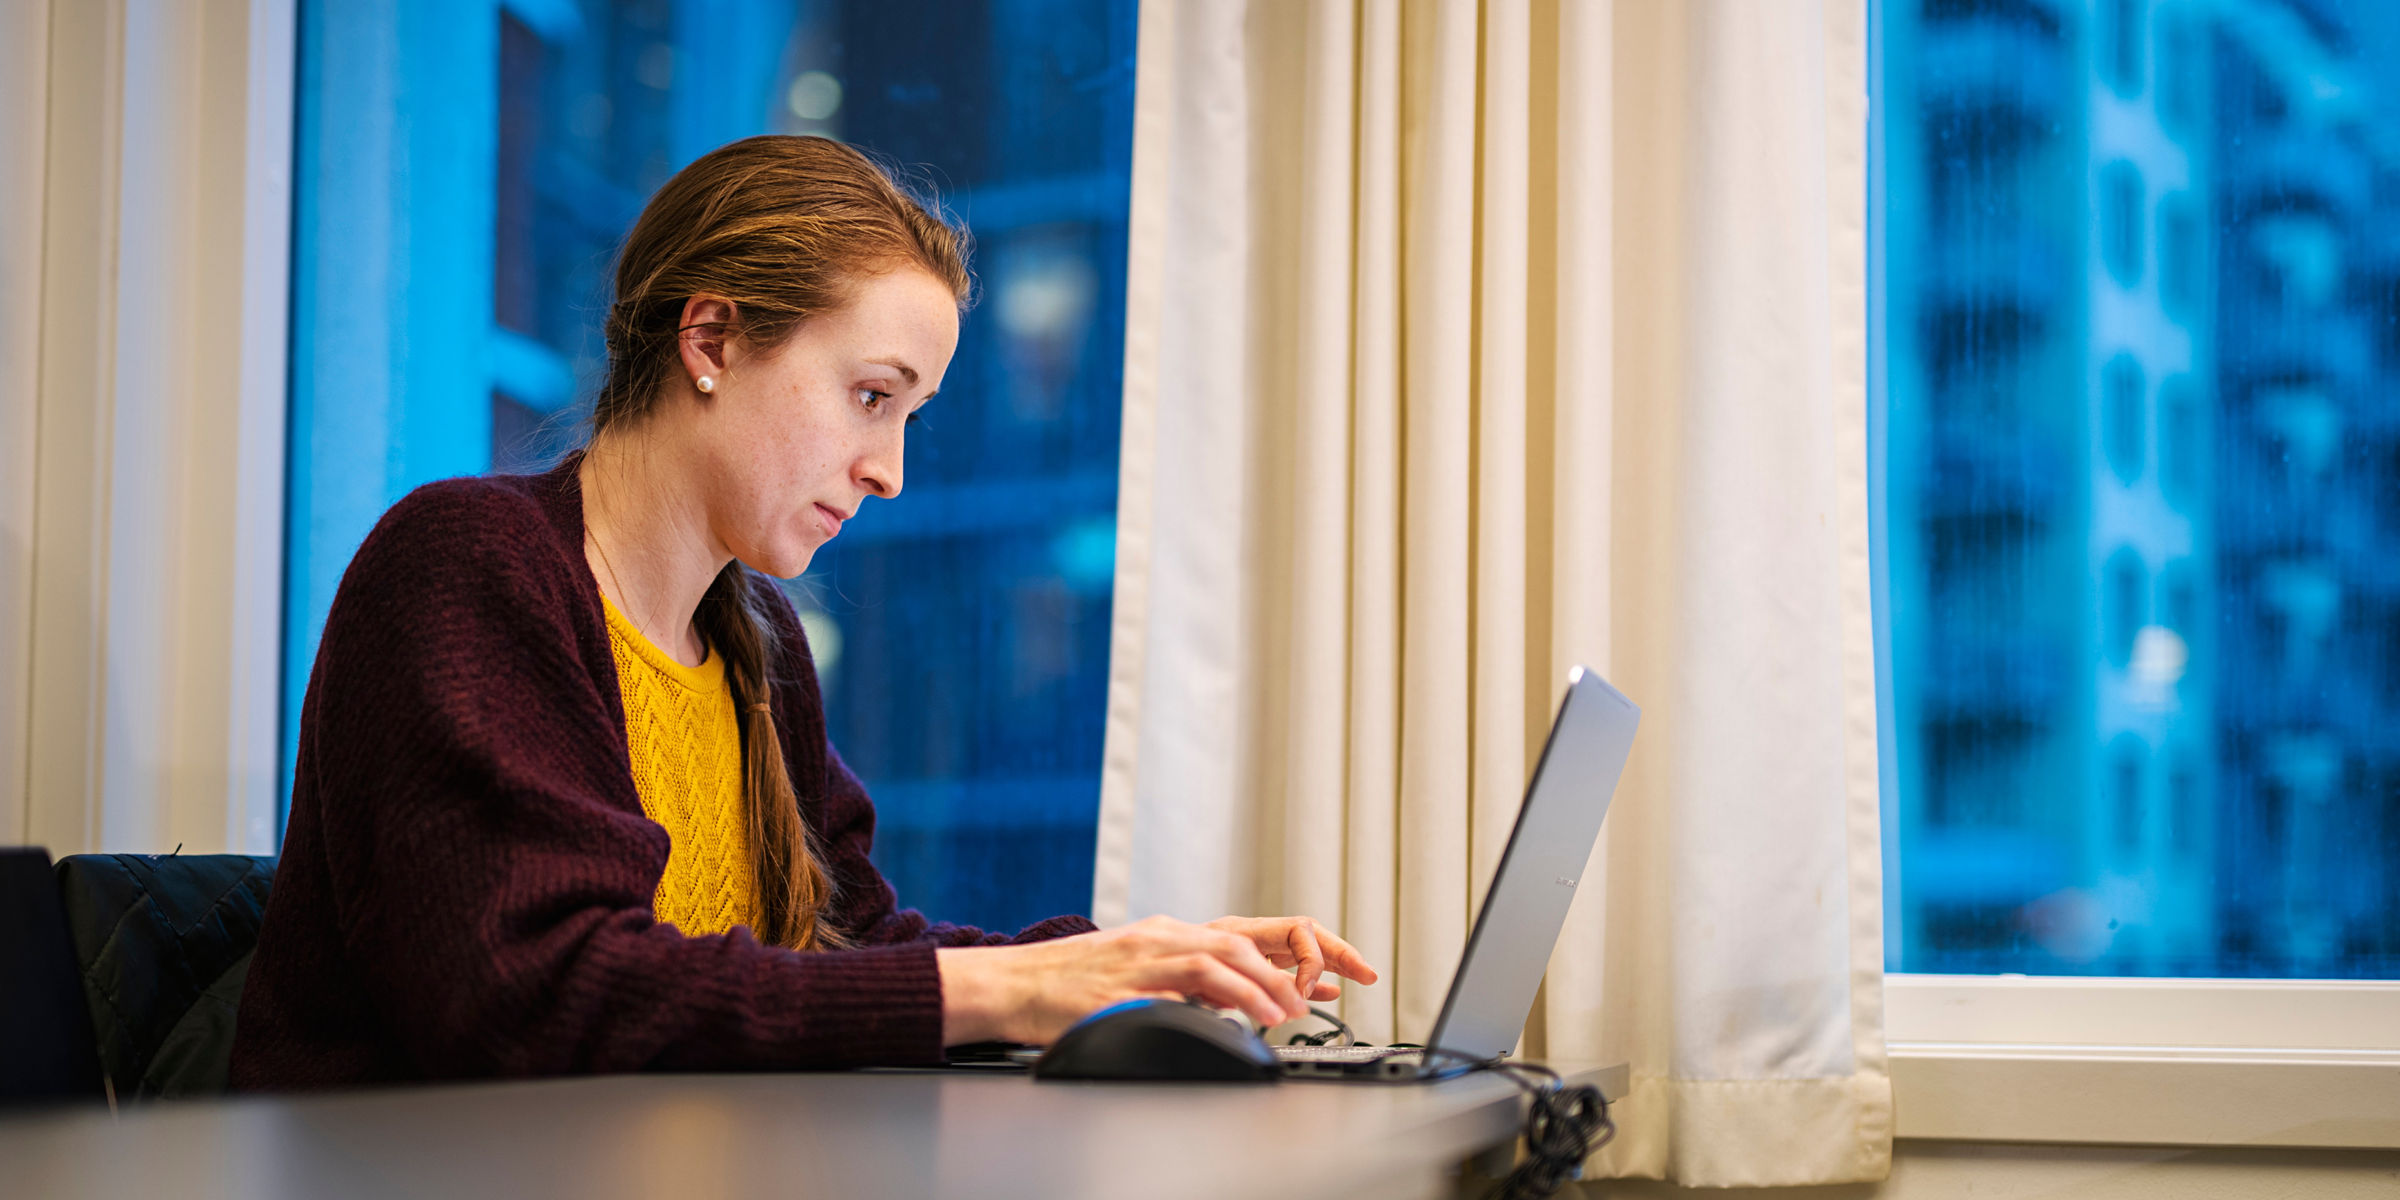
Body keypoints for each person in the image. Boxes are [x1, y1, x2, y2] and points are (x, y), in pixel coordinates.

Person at [230, 135, 1374, 1089]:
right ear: (711, 339)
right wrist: (1014, 991)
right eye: (871, 397)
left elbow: (846, 951)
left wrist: (1125, 967)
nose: (890, 472)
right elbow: (540, 993)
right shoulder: (469, 563)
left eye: (910, 417)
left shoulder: (757, 643)